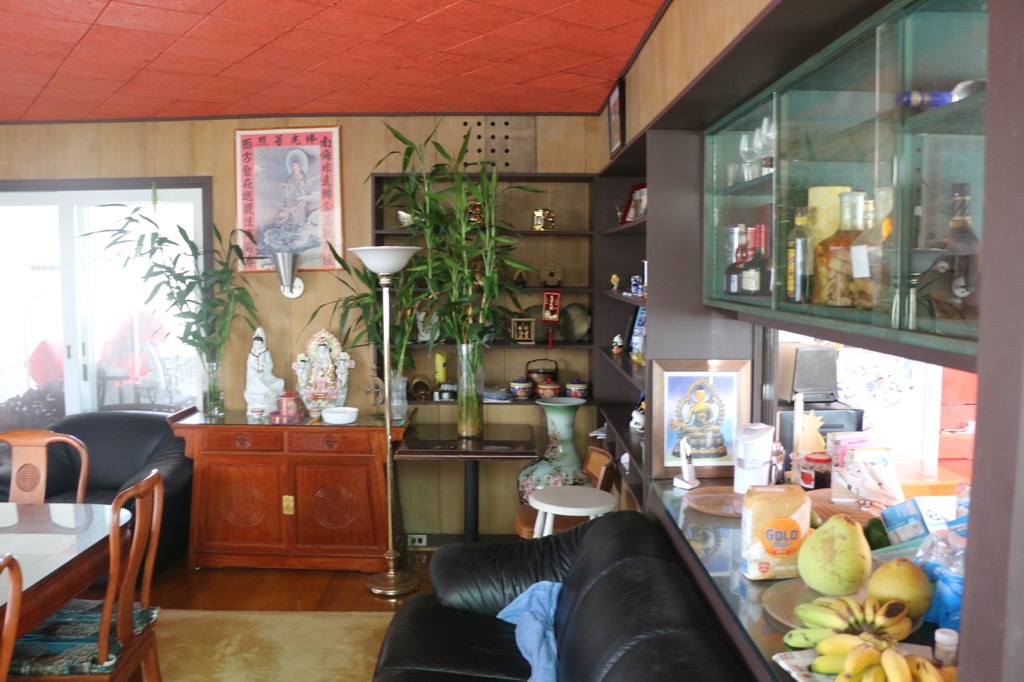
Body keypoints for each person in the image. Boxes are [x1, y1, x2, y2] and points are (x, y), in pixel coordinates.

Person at [244, 328, 285, 415]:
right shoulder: (252, 353)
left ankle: (269, 391)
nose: (257, 345)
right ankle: (268, 391)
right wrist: (257, 369)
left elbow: (270, 364)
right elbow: (250, 365)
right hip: (254, 374)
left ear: (262, 343)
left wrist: (263, 366)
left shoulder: (265, 352)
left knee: (281, 382)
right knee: (256, 379)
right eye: (256, 343)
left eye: (259, 344)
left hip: (266, 376)